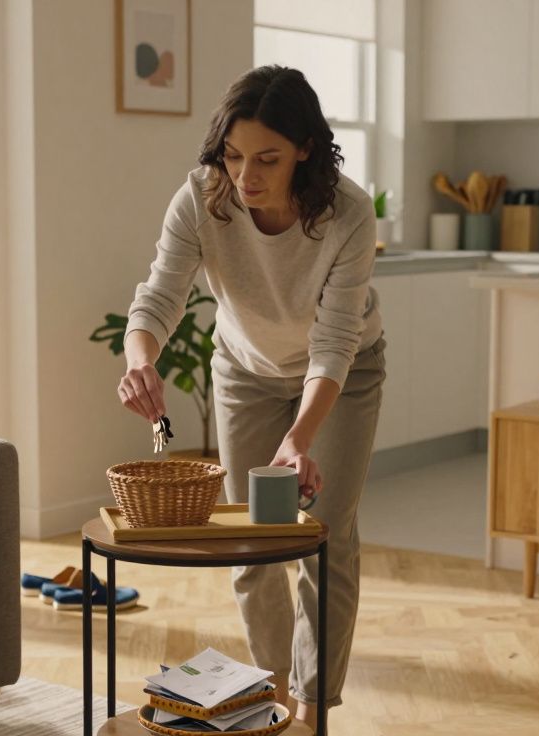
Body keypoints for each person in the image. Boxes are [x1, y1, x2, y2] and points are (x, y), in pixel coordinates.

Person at [118, 65, 384, 727]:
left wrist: (300, 437)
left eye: (267, 158)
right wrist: (140, 361)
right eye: (233, 156)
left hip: (342, 375)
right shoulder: (201, 199)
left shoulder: (348, 212)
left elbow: (335, 340)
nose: (246, 176)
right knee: (253, 545)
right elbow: (158, 297)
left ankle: (316, 708)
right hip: (245, 371)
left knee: (326, 536)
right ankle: (271, 706)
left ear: (305, 148)